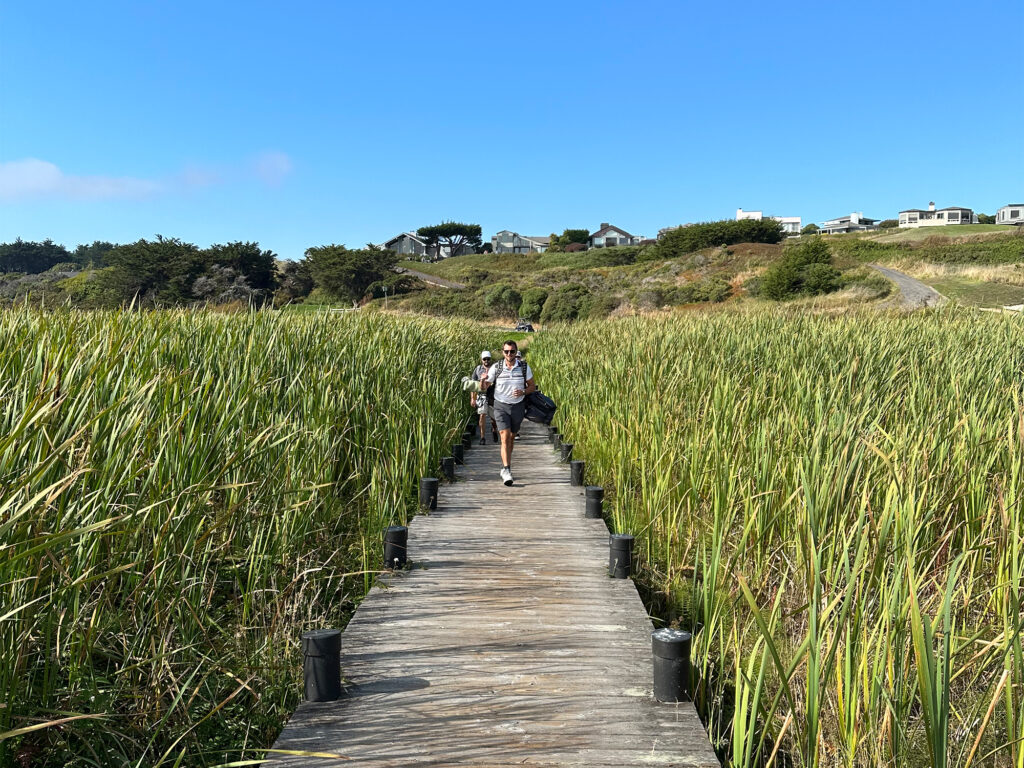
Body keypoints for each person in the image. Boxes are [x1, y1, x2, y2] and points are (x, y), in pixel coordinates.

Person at [480, 340, 535, 486]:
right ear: (503, 352)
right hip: (500, 406)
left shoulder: (523, 367)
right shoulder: (496, 367)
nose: (509, 354)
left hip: (517, 406)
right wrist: (482, 381)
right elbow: (485, 387)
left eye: (512, 351)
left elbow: (532, 387)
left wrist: (522, 391)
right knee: (504, 437)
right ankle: (507, 470)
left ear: (516, 352)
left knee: (511, 438)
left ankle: (506, 466)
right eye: (506, 351)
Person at [470, 351, 499, 446]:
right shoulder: (478, 369)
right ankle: (482, 437)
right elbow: (473, 385)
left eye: (488, 359)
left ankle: (494, 429)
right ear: (481, 360)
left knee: (493, 418)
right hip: (481, 395)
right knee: (482, 414)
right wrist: (473, 398)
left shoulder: (494, 368)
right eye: (484, 359)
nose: (486, 361)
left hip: (492, 395)